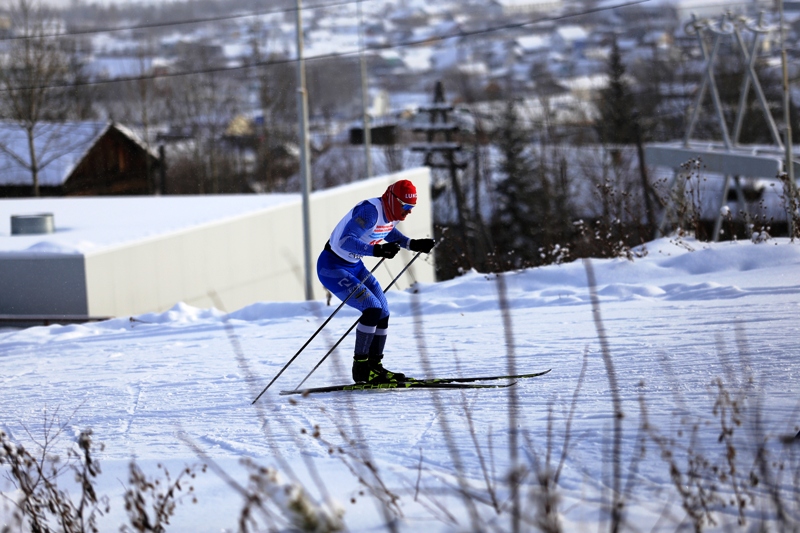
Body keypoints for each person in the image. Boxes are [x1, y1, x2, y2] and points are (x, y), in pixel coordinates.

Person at [317, 179, 435, 384]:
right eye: (406, 206)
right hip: (332, 266)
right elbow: (346, 240)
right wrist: (376, 250)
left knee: (383, 311)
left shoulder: (392, 212)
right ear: (393, 199)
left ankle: (374, 366)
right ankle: (361, 369)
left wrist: (411, 244)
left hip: (355, 266)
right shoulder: (369, 212)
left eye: (412, 208)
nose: (408, 212)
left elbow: (386, 230)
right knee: (371, 308)